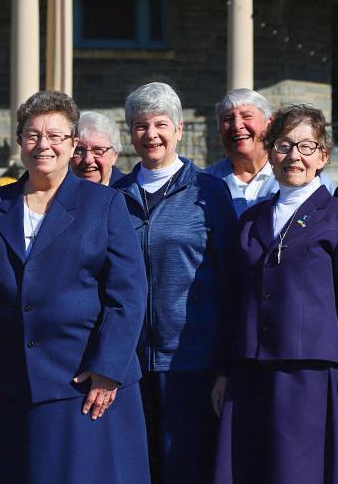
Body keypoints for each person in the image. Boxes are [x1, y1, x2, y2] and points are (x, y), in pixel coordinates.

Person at [0, 90, 150, 484]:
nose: (43, 145)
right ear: (19, 141)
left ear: (73, 143)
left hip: (87, 386)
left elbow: (127, 296)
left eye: (55, 136)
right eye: (32, 135)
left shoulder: (106, 204)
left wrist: (108, 368)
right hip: (9, 389)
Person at [212, 105, 338, 484]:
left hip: (309, 372)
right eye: (284, 145)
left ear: (324, 155)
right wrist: (224, 371)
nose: (294, 156)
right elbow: (233, 300)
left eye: (307, 146)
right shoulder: (250, 221)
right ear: (270, 151)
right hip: (249, 371)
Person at [113, 82, 236, 484]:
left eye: (160, 124)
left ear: (179, 129)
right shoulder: (115, 197)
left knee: (187, 468)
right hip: (127, 364)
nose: (151, 135)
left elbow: (231, 281)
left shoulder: (209, 192)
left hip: (190, 361)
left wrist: (223, 366)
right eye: (140, 126)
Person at [206, 88, 334, 216]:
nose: (237, 125)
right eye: (228, 119)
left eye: (247, 116)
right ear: (219, 129)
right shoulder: (203, 183)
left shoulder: (304, 177)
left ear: (269, 123)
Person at [70, 110, 124, 185]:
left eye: (98, 151)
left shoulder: (130, 193)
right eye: (79, 151)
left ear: (114, 156)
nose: (88, 160)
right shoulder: (54, 193)